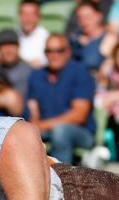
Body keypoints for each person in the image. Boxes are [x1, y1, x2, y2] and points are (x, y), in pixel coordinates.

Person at [25, 35, 96, 164]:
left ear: (68, 52)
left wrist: (41, 125)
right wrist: (34, 126)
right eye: (49, 51)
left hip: (80, 132)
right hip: (45, 130)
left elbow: (78, 116)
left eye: (59, 50)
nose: (54, 55)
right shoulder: (36, 76)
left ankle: (61, 174)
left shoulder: (80, 72)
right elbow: (32, 109)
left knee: (60, 131)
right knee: (22, 134)